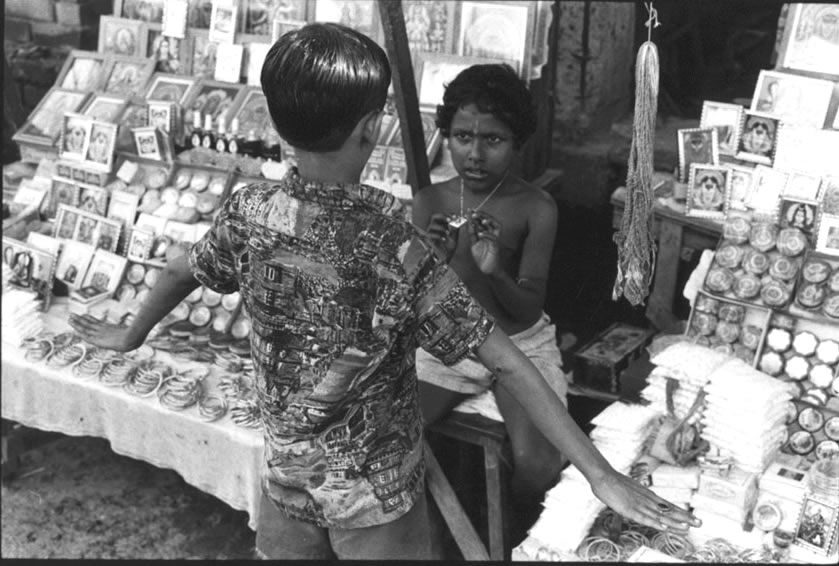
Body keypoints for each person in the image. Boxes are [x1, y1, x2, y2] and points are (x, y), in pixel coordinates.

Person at [69, 23, 699, 560]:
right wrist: (599, 472)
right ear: (372, 130)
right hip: (377, 502)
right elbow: (504, 359)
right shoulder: (397, 246)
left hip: (286, 481)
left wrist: (133, 332)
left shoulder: (248, 211)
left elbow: (182, 267)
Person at [411, 64, 569, 512]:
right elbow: (410, 303)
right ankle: (434, 539)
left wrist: (495, 269)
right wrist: (432, 267)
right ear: (448, 136)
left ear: (518, 141)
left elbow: (526, 307)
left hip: (519, 343)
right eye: (463, 137)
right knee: (391, 440)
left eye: (492, 140)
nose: (475, 154)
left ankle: (509, 530)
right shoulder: (429, 202)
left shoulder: (536, 207)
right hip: (448, 345)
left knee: (538, 466)